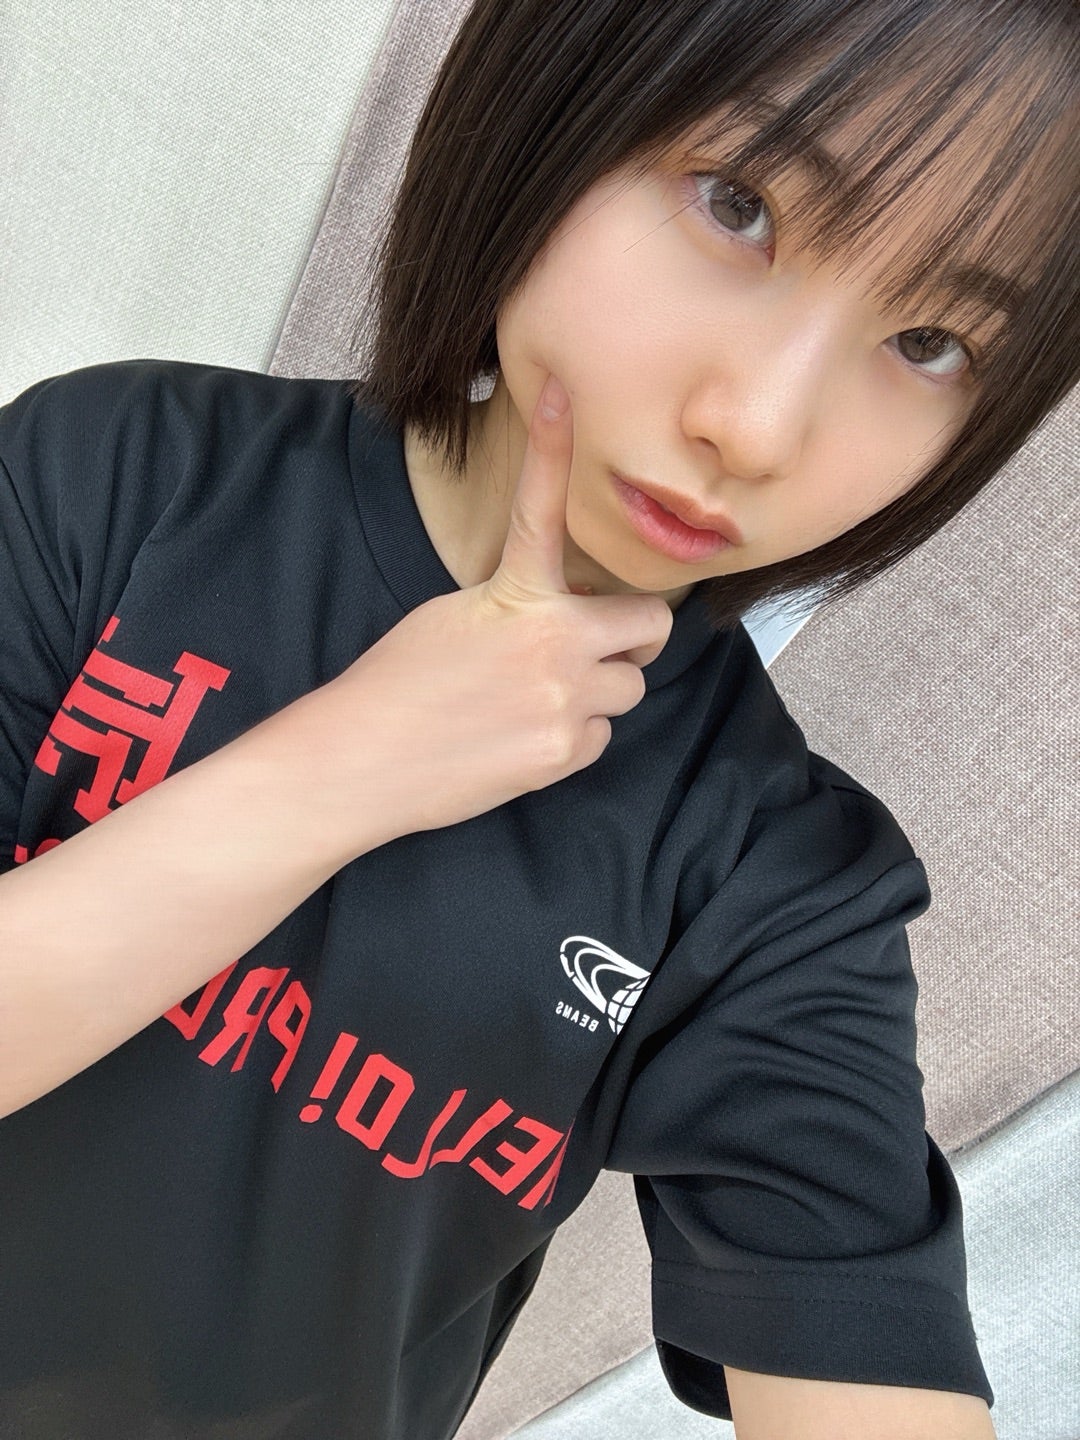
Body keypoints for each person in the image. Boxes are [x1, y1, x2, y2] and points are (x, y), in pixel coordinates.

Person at [0, 0, 1075, 1437]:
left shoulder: (767, 878)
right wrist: (343, 768)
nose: (758, 426)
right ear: (554, 104)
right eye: (740, 205)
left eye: (931, 339)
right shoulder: (114, 483)